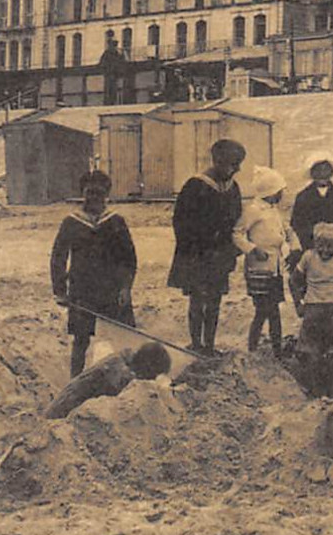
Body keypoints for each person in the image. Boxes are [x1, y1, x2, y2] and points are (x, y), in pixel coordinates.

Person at [51, 170, 138, 376]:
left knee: (123, 336)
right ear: (83, 193)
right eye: (89, 193)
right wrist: (60, 291)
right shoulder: (71, 222)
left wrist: (126, 288)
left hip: (112, 289)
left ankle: (129, 381)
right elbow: (58, 258)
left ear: (106, 194)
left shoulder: (116, 222)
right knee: (81, 340)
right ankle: (74, 381)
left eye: (99, 193)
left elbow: (130, 259)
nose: (94, 198)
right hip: (82, 290)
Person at [167, 139, 245, 354]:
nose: (237, 169)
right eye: (233, 164)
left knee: (215, 301)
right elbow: (181, 223)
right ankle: (195, 343)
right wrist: (194, 249)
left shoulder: (233, 188)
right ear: (218, 161)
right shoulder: (195, 185)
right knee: (197, 299)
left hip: (219, 256)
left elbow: (237, 220)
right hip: (197, 256)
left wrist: (231, 249)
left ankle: (209, 345)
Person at [289, 222, 333, 397]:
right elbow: (294, 280)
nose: (325, 250)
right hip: (314, 309)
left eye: (330, 246)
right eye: (321, 245)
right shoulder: (308, 257)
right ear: (314, 244)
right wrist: (299, 302)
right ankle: (315, 391)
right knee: (311, 352)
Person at [234, 165, 292, 355]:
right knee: (263, 311)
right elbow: (237, 234)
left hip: (274, 268)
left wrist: (291, 244)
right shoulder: (253, 210)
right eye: (279, 191)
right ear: (271, 192)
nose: (282, 194)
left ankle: (277, 349)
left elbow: (283, 229)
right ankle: (252, 348)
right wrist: (252, 250)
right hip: (259, 268)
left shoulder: (273, 210)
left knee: (274, 311)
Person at [44, 341, 172, 419]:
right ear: (147, 366)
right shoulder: (118, 370)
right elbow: (128, 390)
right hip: (61, 415)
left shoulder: (123, 361)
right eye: (153, 374)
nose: (152, 379)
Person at [290, 152, 333, 254]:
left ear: (331, 172)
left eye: (326, 170)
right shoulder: (303, 197)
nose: (322, 174)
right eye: (318, 170)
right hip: (311, 249)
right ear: (312, 173)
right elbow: (297, 225)